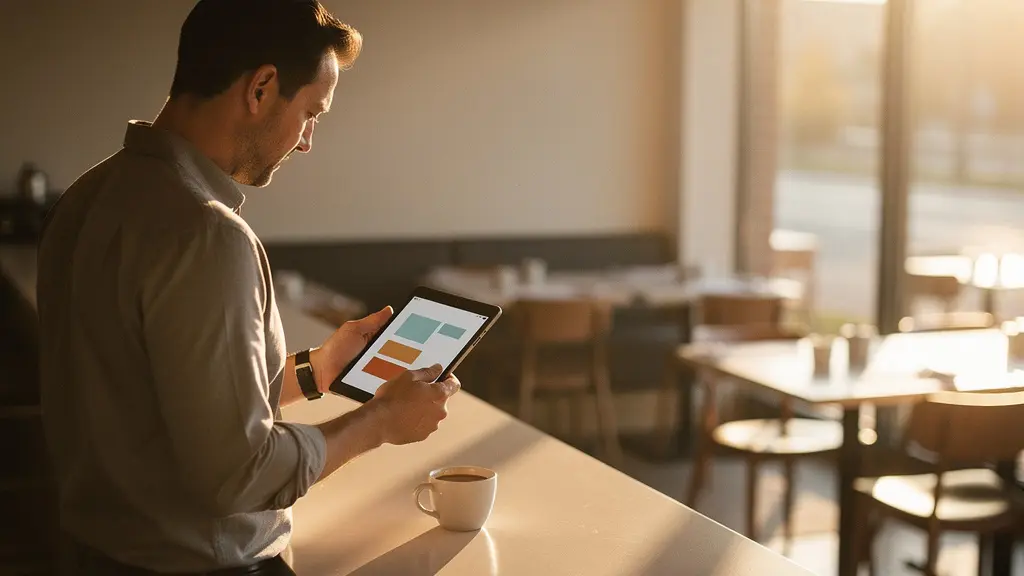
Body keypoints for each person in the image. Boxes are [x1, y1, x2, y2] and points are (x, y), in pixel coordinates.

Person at [36, 1, 460, 574]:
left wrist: (320, 368)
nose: (308, 140)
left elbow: (163, 401)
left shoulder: (85, 199)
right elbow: (238, 473)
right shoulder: (206, 234)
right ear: (261, 88)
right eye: (312, 111)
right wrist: (378, 423)